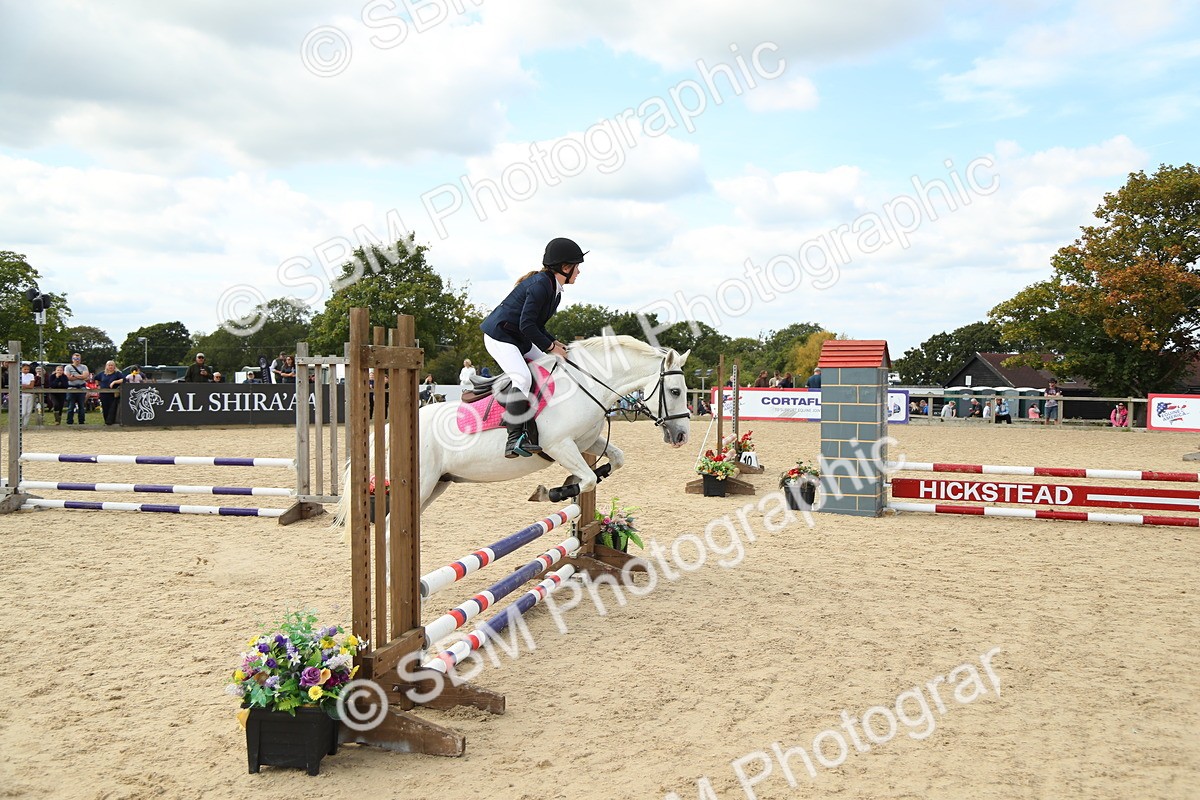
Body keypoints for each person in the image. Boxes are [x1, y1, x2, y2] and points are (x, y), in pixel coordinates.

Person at [480, 236, 584, 458]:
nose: (578, 272)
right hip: (499, 336)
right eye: (576, 267)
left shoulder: (553, 289)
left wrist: (553, 343)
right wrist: (549, 345)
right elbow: (527, 324)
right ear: (565, 267)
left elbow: (534, 325)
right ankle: (514, 437)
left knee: (549, 366)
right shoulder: (540, 287)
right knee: (523, 378)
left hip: (518, 336)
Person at [64, 353, 90, 425]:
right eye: (75, 359)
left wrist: (74, 376)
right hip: (71, 388)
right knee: (70, 407)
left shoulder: (84, 367)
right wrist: (80, 376)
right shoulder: (67, 367)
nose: (77, 360)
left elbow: (85, 376)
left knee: (81, 406)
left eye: (78, 359)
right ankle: (69, 422)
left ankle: (81, 422)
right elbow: (68, 378)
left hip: (81, 388)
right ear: (72, 359)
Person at [97, 361, 125, 426]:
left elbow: (124, 379)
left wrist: (115, 382)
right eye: (109, 365)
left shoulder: (117, 373)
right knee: (105, 408)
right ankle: (106, 422)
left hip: (113, 394)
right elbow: (95, 378)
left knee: (112, 408)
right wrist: (98, 385)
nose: (110, 367)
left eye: (112, 365)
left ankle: (111, 422)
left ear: (114, 366)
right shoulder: (102, 374)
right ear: (106, 366)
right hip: (103, 394)